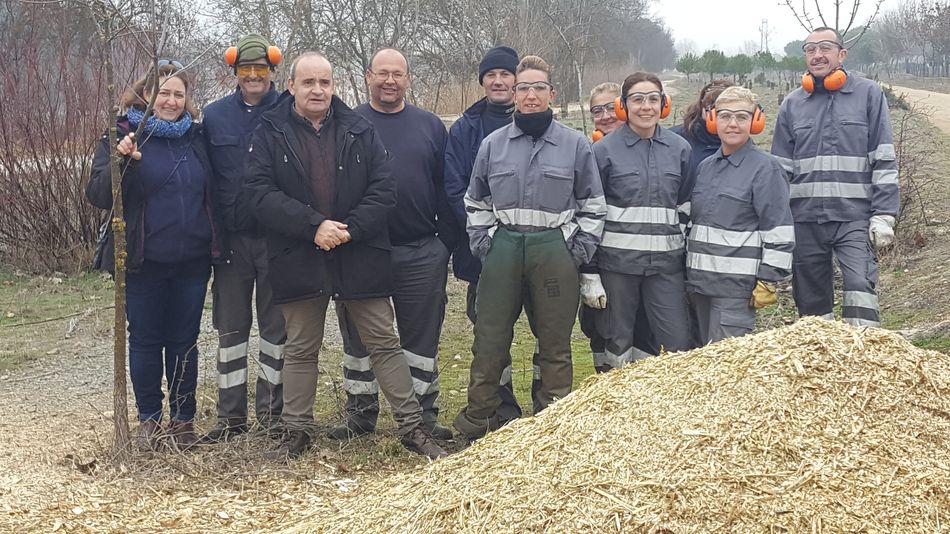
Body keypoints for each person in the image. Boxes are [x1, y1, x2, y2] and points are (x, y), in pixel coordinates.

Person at [243, 52, 447, 460]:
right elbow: (258, 194)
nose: (317, 90)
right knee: (301, 347)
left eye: (325, 82)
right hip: (299, 254)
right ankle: (296, 430)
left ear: (334, 86)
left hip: (359, 252)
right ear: (291, 86)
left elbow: (384, 189)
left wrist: (349, 228)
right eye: (308, 82)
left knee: (384, 342)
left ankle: (412, 428)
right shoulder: (268, 131)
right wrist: (313, 226)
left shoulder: (359, 128)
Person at [454, 55, 606, 443]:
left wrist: (576, 251)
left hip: (554, 251)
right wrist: (485, 244)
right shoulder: (493, 145)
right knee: (489, 340)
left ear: (551, 93)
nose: (531, 95)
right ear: (514, 94)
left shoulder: (574, 145)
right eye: (523, 88)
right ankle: (479, 421)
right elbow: (475, 201)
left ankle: (551, 423)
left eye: (539, 87)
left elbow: (592, 205)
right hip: (503, 249)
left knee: (555, 342)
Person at [86, 60, 222, 451]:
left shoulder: (196, 137)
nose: (171, 101)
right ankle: (149, 421)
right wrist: (121, 162)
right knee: (145, 341)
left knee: (184, 341)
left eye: (179, 94)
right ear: (145, 94)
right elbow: (98, 195)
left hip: (192, 261)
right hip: (142, 261)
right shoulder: (121, 135)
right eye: (163, 93)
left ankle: (183, 421)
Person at [329, 48, 457, 441]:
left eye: (397, 74)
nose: (389, 80)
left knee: (421, 339)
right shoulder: (346, 124)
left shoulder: (430, 125)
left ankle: (423, 417)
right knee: (359, 337)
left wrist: (444, 244)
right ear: (368, 76)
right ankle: (360, 414)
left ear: (408, 79)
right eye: (382, 73)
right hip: (361, 250)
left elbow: (445, 187)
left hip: (420, 249)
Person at [772, 27, 899, 327]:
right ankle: (820, 351)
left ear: (842, 54)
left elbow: (883, 156)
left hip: (854, 217)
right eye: (810, 49)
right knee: (811, 300)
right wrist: (776, 220)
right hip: (804, 219)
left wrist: (884, 214)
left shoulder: (868, 94)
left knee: (859, 285)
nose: (817, 55)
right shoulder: (792, 103)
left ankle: (863, 347)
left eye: (825, 48)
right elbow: (779, 170)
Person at [444, 46, 539, 422]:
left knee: (547, 330)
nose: (498, 81)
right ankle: (502, 410)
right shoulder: (464, 129)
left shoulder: (539, 124)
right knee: (491, 336)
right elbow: (455, 188)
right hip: (485, 253)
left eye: (505, 74)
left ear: (517, 81)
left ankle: (547, 407)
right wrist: (485, 236)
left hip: (538, 251)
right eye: (491, 75)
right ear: (482, 81)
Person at [201, 34, 287, 443]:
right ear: (234, 71)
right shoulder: (215, 116)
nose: (254, 76)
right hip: (232, 243)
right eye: (246, 69)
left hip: (277, 240)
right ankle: (230, 418)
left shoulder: (289, 110)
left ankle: (272, 415)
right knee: (231, 332)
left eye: (261, 69)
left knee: (276, 331)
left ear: (273, 70)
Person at [586, 71, 693, 370]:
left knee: (677, 342)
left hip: (666, 268)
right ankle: (614, 395)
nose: (646, 107)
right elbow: (591, 213)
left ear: (663, 104)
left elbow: (686, 208)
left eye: (652, 99)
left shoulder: (680, 150)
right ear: (623, 105)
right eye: (637, 99)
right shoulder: (603, 151)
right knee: (617, 342)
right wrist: (589, 270)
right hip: (617, 267)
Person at [687, 86, 795, 343]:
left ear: (755, 121)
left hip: (735, 290)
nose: (732, 124)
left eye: (742, 117)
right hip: (698, 285)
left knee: (725, 362)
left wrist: (769, 278)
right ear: (713, 120)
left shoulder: (766, 169)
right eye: (725, 116)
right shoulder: (705, 167)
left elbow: (779, 230)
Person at [585, 82, 657, 371]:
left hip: (644, 264)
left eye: (610, 108)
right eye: (597, 111)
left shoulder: (656, 150)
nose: (605, 116)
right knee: (601, 332)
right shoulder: (589, 154)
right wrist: (588, 271)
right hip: (604, 262)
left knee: (644, 333)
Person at [670, 79, 734, 348]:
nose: (724, 119)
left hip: (726, 256)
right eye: (715, 109)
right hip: (681, 247)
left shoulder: (740, 144)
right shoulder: (676, 141)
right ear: (703, 108)